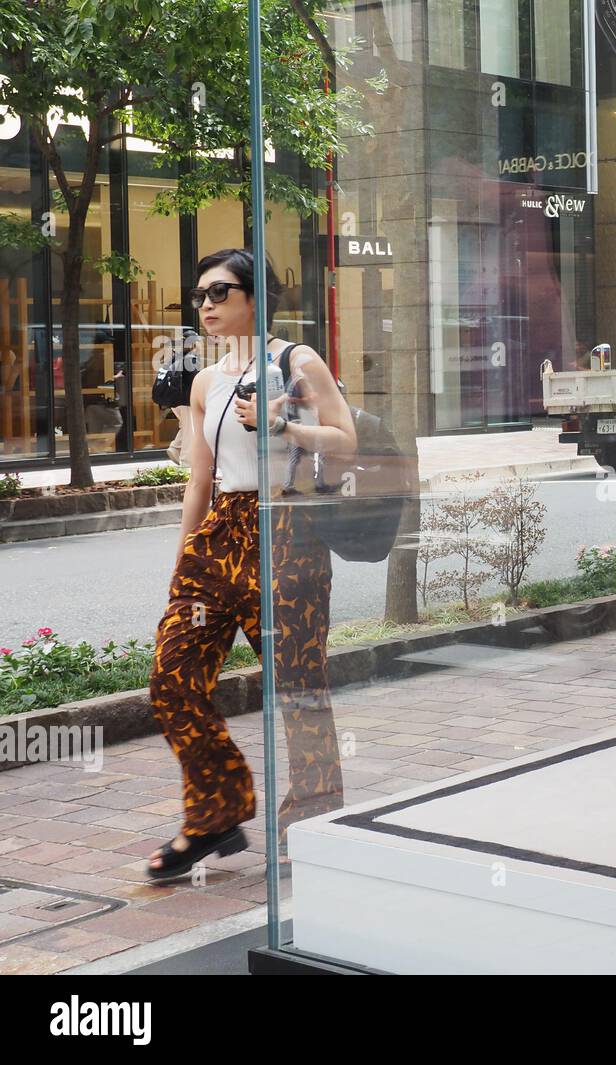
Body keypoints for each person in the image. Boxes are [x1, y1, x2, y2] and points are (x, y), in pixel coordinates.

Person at [146, 248, 356, 881]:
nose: (205, 304)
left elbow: (346, 440)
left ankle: (310, 819)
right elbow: (200, 479)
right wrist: (185, 554)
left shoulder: (296, 361)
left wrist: (285, 425)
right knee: (172, 677)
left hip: (285, 529)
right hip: (219, 535)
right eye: (200, 294)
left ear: (253, 296)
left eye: (219, 292)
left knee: (296, 686)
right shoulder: (206, 381)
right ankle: (216, 813)